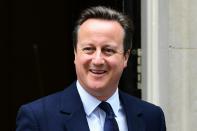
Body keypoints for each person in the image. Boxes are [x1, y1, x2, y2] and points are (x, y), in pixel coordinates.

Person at [16, 6, 166, 131]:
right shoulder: (38, 118)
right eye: (89, 49)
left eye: (108, 50)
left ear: (125, 57)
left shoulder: (152, 117)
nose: (98, 60)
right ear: (75, 54)